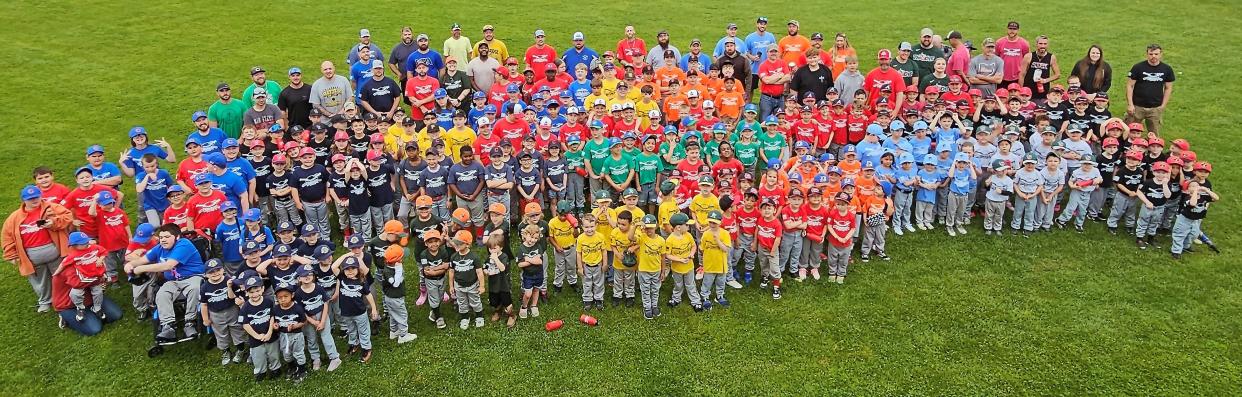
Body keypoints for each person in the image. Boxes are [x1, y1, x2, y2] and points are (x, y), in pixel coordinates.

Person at [123, 223, 206, 342]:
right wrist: (130, 265)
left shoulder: (184, 244)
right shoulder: (159, 248)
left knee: (194, 289)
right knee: (162, 293)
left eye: (167, 237)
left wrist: (142, 269)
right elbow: (143, 260)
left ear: (177, 237)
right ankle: (168, 326)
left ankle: (190, 322)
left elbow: (168, 265)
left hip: (193, 276)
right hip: (173, 281)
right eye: (161, 237)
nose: (163, 240)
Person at [3, 184, 74, 312]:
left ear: (40, 196)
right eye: (30, 198)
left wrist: (54, 222)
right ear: (23, 200)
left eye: (36, 197)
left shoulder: (52, 207)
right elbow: (7, 237)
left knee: (61, 276)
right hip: (31, 257)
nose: (34, 200)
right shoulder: (14, 217)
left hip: (55, 252)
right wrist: (11, 254)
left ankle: (66, 298)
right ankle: (45, 301)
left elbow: (68, 216)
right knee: (39, 281)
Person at [198, 258, 245, 366]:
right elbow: (204, 304)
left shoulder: (228, 280)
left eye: (217, 270)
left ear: (223, 269)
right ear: (206, 274)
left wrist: (230, 287)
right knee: (221, 334)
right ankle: (225, 352)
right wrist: (205, 318)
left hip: (231, 309)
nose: (215, 273)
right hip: (216, 314)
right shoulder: (204, 287)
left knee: (237, 330)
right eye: (211, 272)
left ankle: (240, 350)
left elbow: (235, 296)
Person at [1125, 44, 1175, 134]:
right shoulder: (1138, 67)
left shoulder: (1167, 69)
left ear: (1161, 54)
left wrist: (1163, 105)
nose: (1153, 56)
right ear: (1147, 54)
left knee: (1154, 136)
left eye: (1156, 54)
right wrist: (1130, 104)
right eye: (1151, 54)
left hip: (1155, 108)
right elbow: (1129, 85)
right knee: (1129, 132)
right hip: (1137, 107)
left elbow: (1168, 88)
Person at [448, 230, 485, 329]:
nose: (457, 244)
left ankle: (479, 316)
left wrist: (482, 286)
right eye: (456, 242)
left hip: (472, 284)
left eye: (460, 243)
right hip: (458, 285)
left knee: (475, 301)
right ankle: (465, 317)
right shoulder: (454, 257)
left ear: (468, 244)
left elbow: (479, 272)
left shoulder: (474, 257)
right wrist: (451, 286)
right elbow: (451, 272)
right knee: (462, 302)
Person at [698, 210, 731, 309]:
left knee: (721, 281)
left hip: (721, 264)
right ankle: (704, 296)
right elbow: (702, 248)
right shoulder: (706, 234)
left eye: (714, 222)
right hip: (709, 263)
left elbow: (726, 249)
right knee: (707, 281)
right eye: (710, 222)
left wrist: (717, 240)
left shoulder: (724, 233)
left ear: (720, 222)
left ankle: (719, 295)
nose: (712, 224)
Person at [1019, 35, 1061, 102]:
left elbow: (1057, 74)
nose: (1043, 46)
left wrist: (1045, 80)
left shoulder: (1051, 57)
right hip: (1028, 91)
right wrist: (1021, 90)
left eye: (1045, 44)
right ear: (1036, 44)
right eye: (1040, 43)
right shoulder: (1029, 56)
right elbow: (1022, 75)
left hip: (1043, 91)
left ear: (1048, 45)